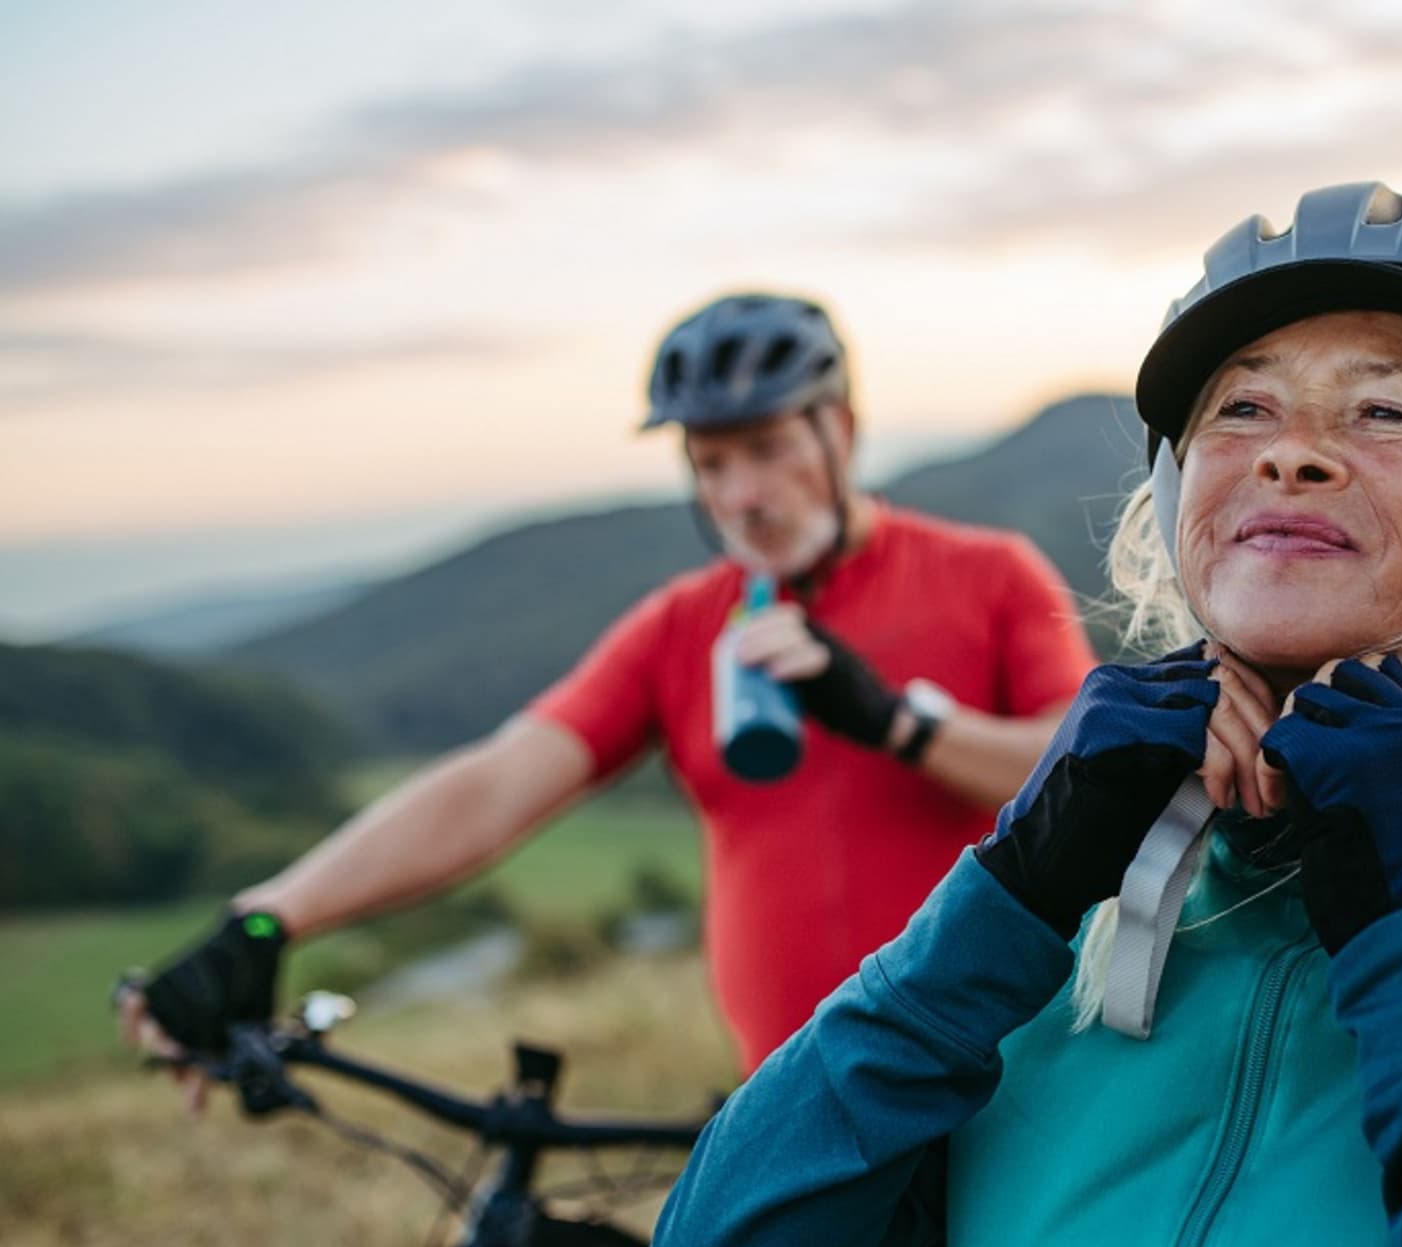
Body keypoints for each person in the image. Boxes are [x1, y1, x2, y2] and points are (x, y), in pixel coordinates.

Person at [644, 185, 1402, 1247]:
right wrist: (1013, 885)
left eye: (1385, 408)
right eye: (1242, 406)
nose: (1285, 449)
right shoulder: (1053, 930)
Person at [121, 291, 1096, 1085]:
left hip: (1003, 1079)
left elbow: (1084, 771)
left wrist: (896, 720)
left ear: (838, 431)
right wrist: (268, 916)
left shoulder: (988, 574)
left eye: (766, 448)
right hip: (795, 1103)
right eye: (710, 462)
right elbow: (495, 785)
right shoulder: (683, 625)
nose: (740, 495)